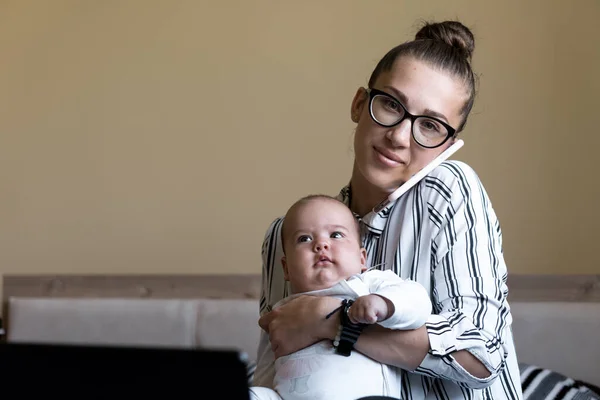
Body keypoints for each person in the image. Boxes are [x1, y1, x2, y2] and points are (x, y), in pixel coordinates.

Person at [256, 19, 524, 400]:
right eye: (391, 105)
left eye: (430, 125)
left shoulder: (448, 191)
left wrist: (330, 324)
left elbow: (483, 354)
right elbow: (279, 356)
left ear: (446, 147)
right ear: (359, 104)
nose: (399, 137)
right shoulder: (287, 235)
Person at [250, 194, 433, 400]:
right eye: (304, 239)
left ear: (361, 258)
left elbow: (418, 300)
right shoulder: (282, 312)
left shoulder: (369, 285)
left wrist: (384, 304)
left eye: (336, 235)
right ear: (286, 268)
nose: (321, 244)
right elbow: (265, 369)